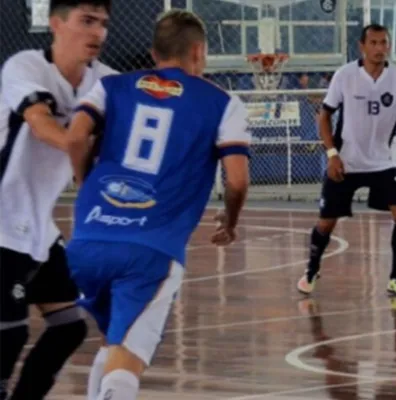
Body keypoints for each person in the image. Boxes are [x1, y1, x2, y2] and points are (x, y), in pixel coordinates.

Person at [64, 9, 251, 400]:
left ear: (153, 53)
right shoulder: (221, 103)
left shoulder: (110, 86)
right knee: (127, 362)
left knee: (112, 343)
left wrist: (86, 187)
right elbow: (237, 179)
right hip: (150, 249)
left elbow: (76, 137)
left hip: (87, 241)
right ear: (199, 51)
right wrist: (230, 221)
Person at [0, 1, 116, 398]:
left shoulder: (105, 82)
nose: (97, 32)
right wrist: (82, 146)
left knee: (68, 326)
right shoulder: (26, 67)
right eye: (86, 21)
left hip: (38, 226)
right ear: (56, 24)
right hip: (2, 220)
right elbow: (39, 122)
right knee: (8, 334)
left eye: (102, 23)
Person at [296, 23, 396, 297]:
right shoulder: (345, 76)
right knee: (327, 222)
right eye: (373, 43)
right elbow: (324, 116)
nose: (379, 48)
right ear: (361, 47)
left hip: (381, 163)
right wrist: (332, 154)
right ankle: (311, 270)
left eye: (383, 43)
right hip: (346, 162)